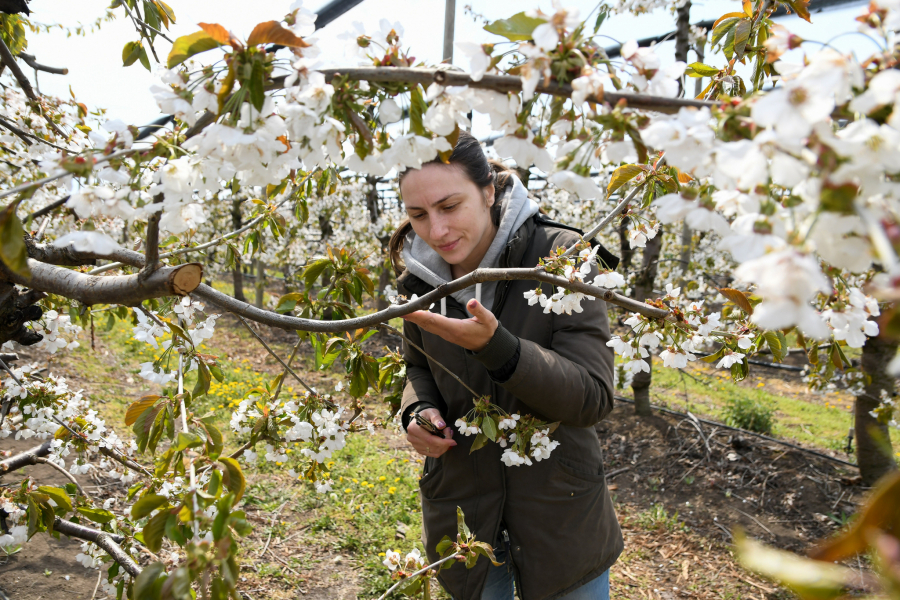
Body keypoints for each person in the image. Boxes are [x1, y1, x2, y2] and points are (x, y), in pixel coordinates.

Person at [390, 130, 623, 600]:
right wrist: (417, 413)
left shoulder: (564, 260)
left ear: (490, 191)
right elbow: (417, 367)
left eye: (450, 206)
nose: (436, 231)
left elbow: (594, 397)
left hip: (560, 513)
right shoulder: (418, 281)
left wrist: (501, 349)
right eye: (418, 215)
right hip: (462, 508)